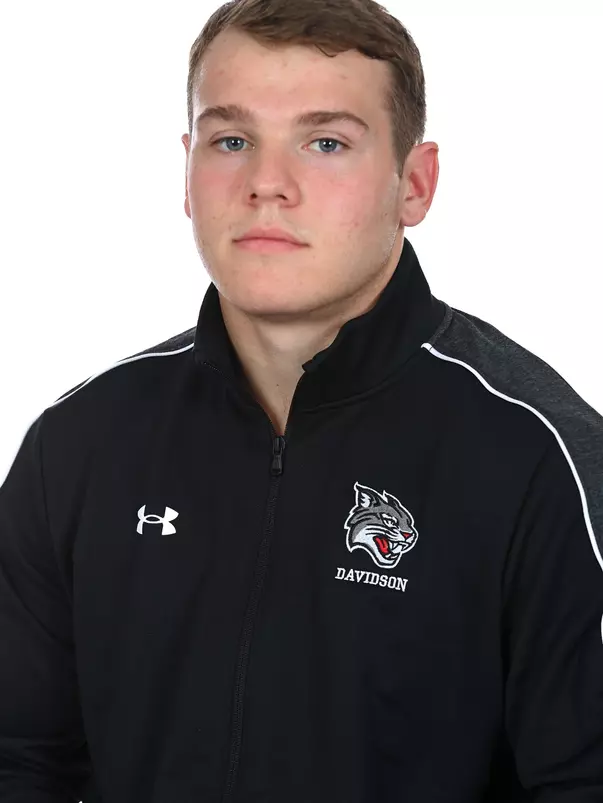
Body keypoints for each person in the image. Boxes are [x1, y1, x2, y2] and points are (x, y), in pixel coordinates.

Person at [1, 0, 602, 800]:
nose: (265, 185)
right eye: (231, 140)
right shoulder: (79, 443)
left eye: (325, 143)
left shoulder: (539, 456)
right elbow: (18, 759)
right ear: (187, 172)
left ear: (414, 183)